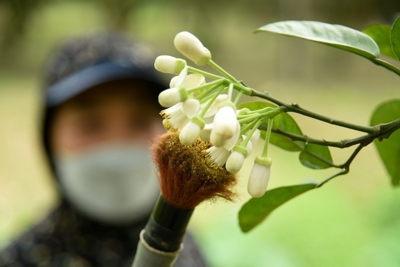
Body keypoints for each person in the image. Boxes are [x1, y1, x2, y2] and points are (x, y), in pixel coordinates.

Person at [0, 31, 207, 267]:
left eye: (139, 121)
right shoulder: (19, 260)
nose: (117, 143)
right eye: (90, 125)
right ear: (49, 139)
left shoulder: (187, 250)